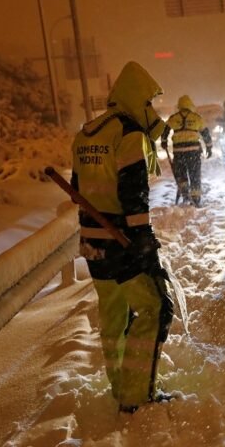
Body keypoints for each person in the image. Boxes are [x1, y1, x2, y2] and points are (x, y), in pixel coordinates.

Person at [70, 61, 174, 414]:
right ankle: (136, 395)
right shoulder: (128, 134)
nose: (152, 110)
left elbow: (75, 188)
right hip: (121, 243)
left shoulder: (87, 132)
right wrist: (144, 242)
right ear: (134, 97)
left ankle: (120, 388)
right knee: (155, 308)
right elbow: (134, 196)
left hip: (91, 242)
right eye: (148, 102)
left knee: (113, 317)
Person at [161, 95, 213, 206]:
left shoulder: (173, 118)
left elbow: (165, 131)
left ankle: (185, 194)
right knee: (195, 174)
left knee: (181, 174)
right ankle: (195, 198)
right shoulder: (196, 118)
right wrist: (209, 147)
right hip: (193, 152)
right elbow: (205, 133)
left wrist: (164, 141)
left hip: (179, 153)